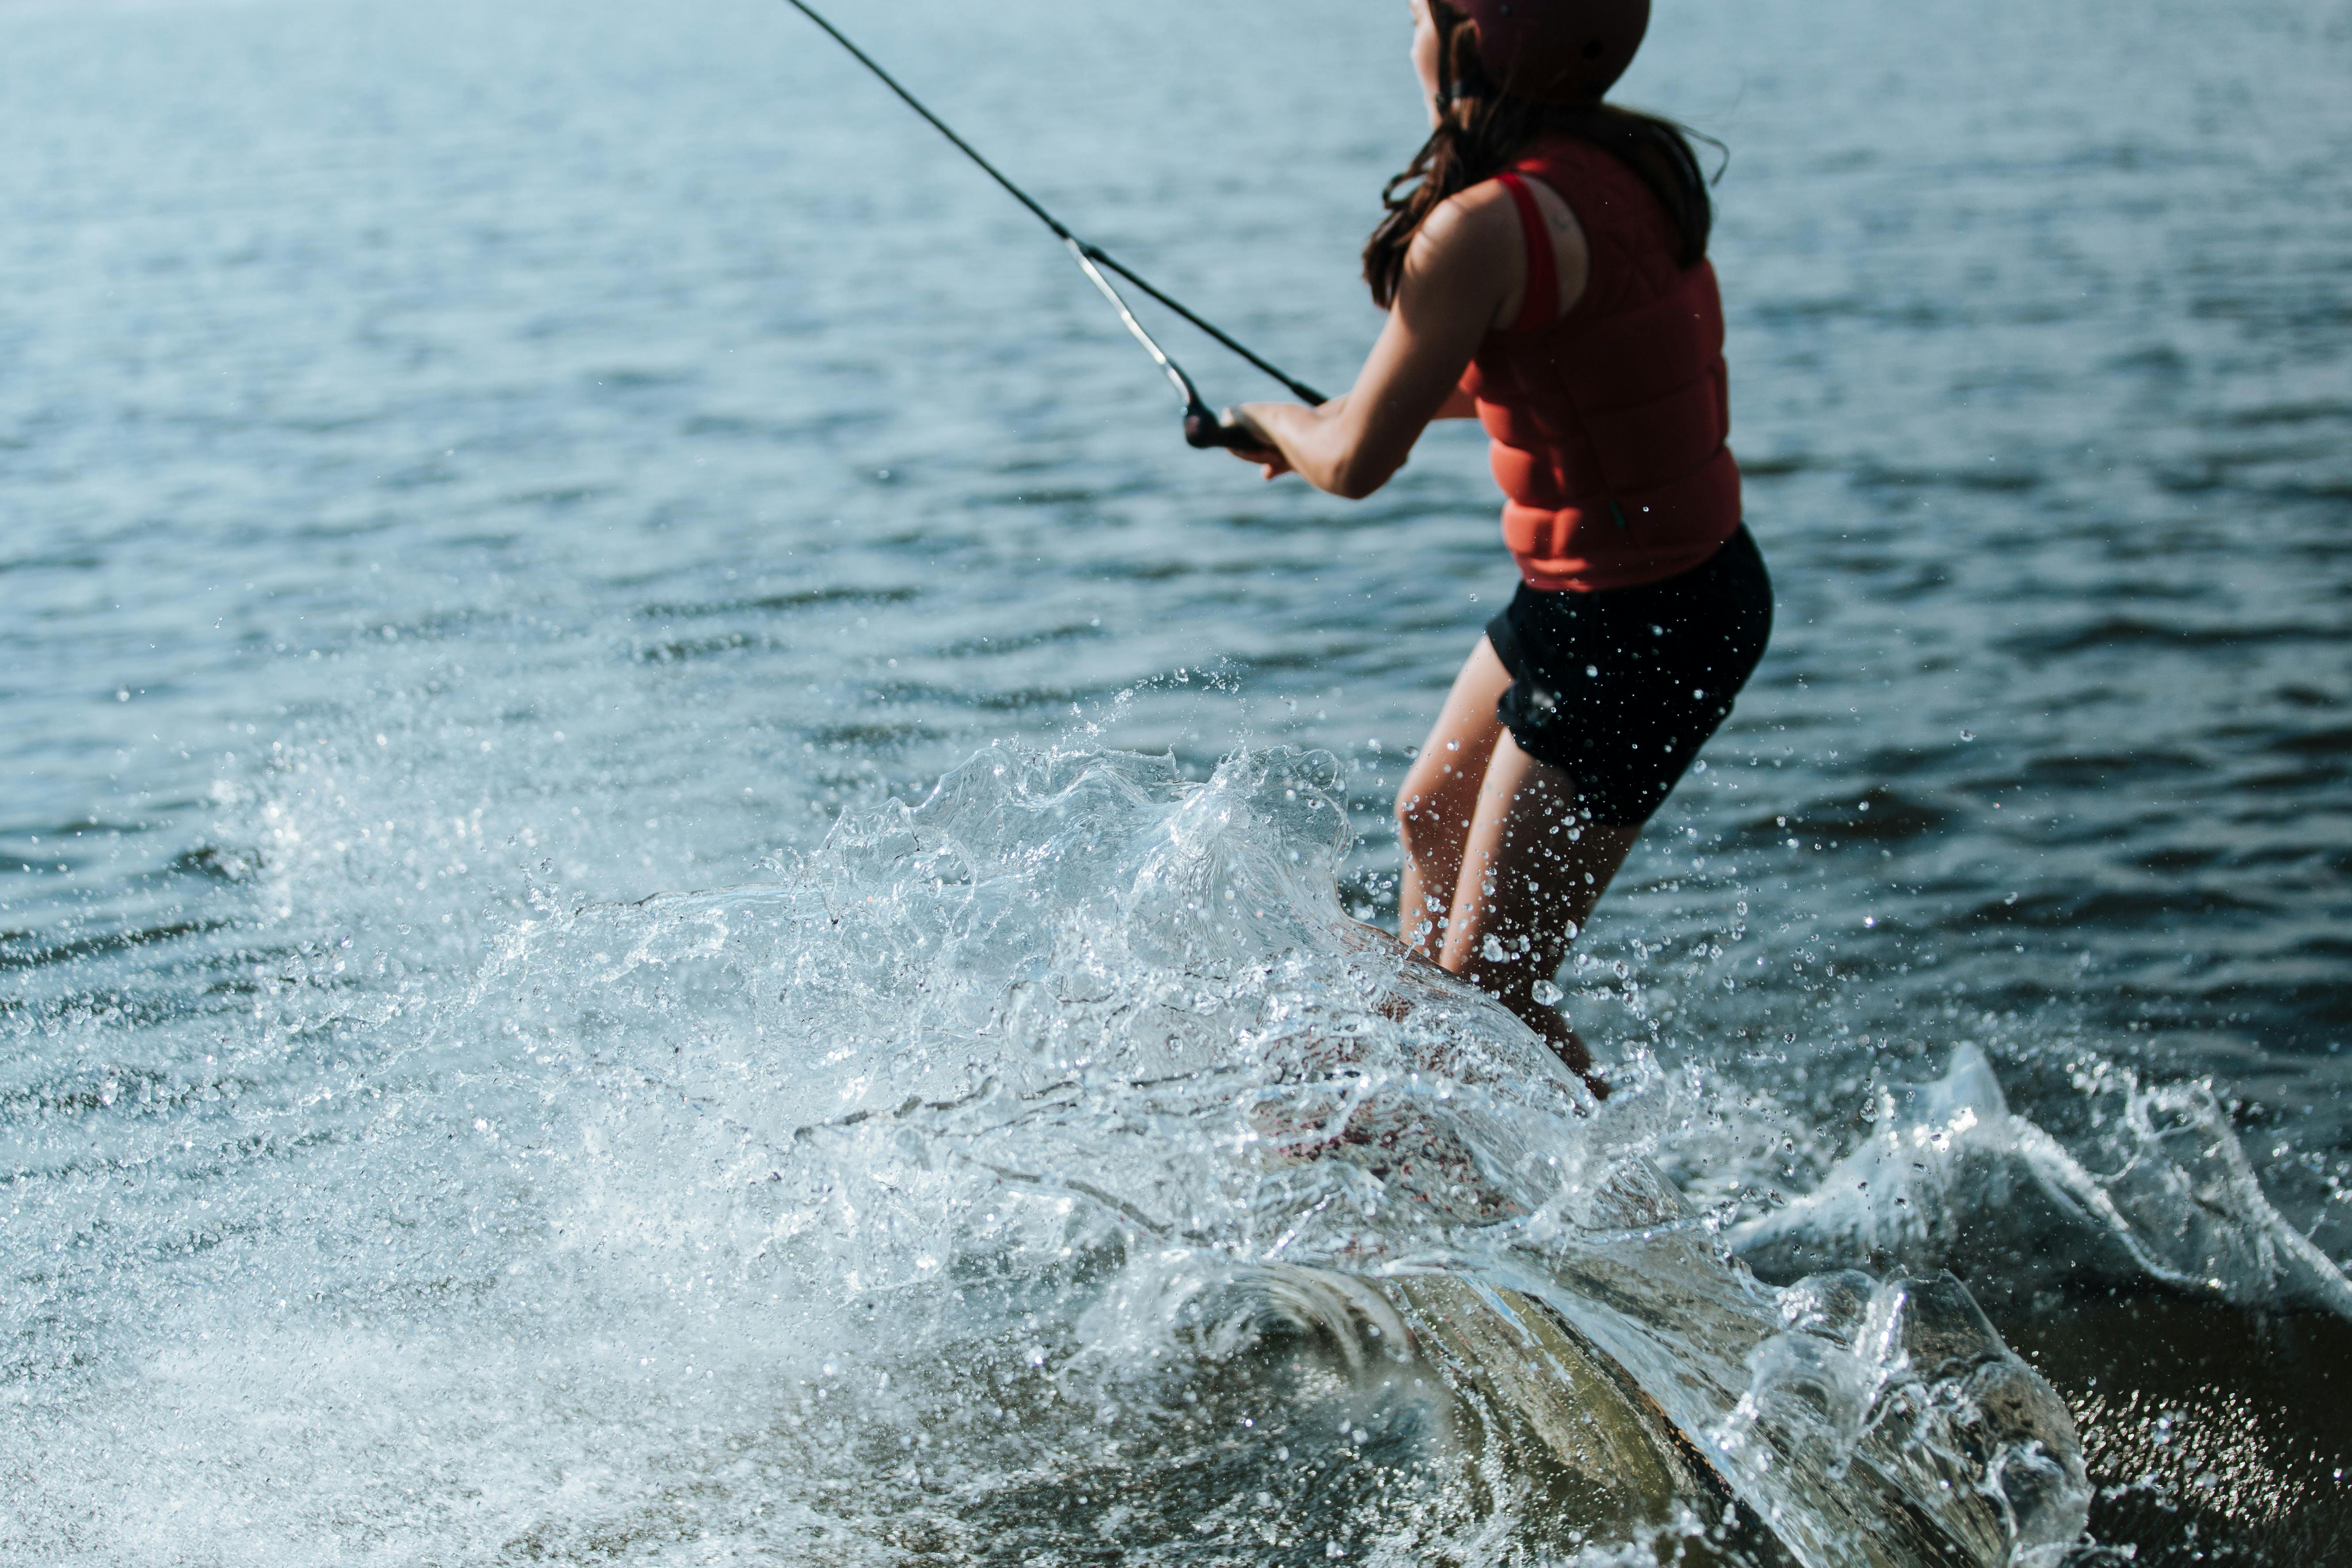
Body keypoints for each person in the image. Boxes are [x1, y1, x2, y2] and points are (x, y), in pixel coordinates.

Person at [1225, 0, 1772, 1093]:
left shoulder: (1477, 231)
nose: (1408, 27)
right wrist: (1345, 413)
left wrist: (1279, 424)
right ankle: (1441, 1154)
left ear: (1473, 43)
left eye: (1424, 10)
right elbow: (1555, 375)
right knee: (1429, 819)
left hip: (1639, 626)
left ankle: (1622, 1222)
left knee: (1488, 998)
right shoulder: (1632, 164)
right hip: (1625, 593)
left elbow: (1357, 466)